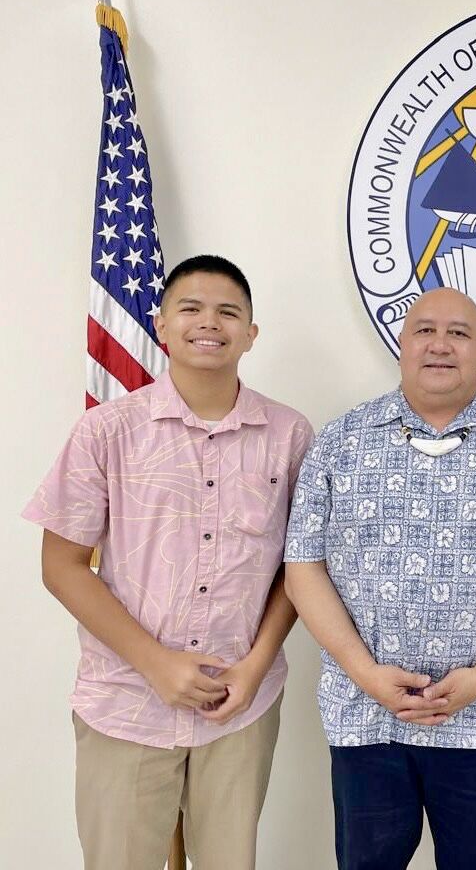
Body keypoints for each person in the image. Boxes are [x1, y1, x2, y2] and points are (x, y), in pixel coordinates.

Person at [23, 255, 313, 870]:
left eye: (228, 312)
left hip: (241, 705)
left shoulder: (289, 435)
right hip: (126, 702)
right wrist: (156, 664)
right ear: (161, 325)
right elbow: (62, 565)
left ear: (251, 334)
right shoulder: (106, 431)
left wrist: (255, 666)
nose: (209, 322)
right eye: (191, 308)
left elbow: (301, 568)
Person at [283, 286, 476, 870]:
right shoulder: (341, 441)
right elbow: (302, 566)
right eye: (425, 330)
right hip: (365, 713)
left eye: (459, 333)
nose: (440, 345)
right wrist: (365, 673)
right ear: (402, 344)